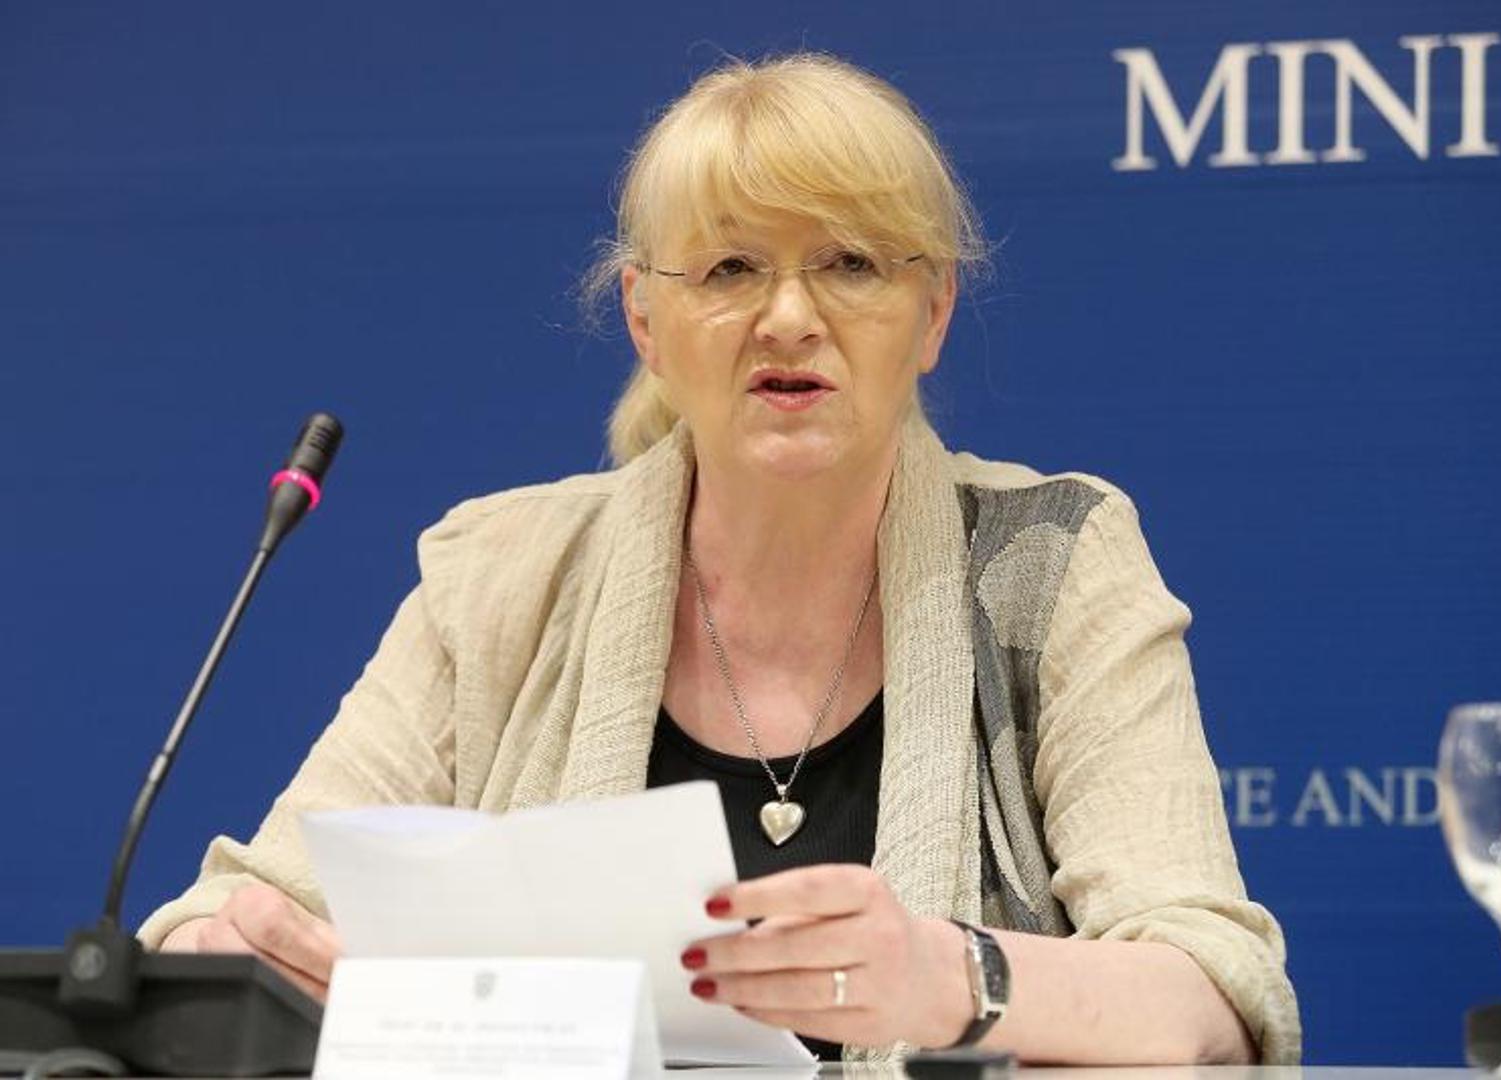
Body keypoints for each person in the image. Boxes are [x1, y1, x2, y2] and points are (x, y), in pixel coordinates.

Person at [139, 52, 1301, 1065]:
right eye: (731, 270)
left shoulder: (1052, 559)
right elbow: (225, 922)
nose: (788, 317)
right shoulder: (500, 573)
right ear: (645, 321)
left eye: (850, 263)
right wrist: (268, 966)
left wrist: (946, 974)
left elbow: (1210, 995)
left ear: (934, 311)